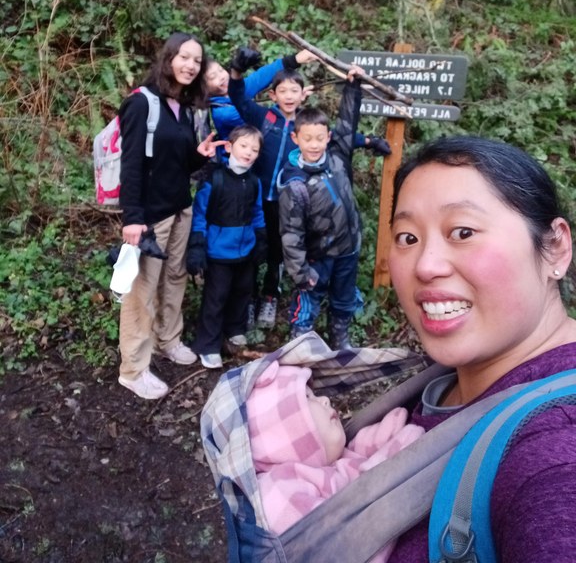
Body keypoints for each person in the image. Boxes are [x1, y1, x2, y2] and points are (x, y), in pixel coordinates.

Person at [385, 134, 575, 563]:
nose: (426, 265)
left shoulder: (556, 449)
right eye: (407, 237)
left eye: (463, 231)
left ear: (555, 248)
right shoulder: (449, 382)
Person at [117, 31, 225, 400]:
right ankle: (133, 368)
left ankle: (169, 339)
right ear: (168, 58)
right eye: (184, 57)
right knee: (141, 290)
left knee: (175, 277)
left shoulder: (181, 108)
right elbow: (130, 165)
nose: (191, 65)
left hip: (181, 206)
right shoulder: (140, 104)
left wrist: (200, 155)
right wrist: (132, 218)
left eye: (197, 60)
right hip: (150, 216)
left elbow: (176, 162)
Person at [246, 360, 423, 561]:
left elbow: (349, 467)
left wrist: (379, 438)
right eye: (307, 397)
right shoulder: (275, 491)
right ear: (280, 431)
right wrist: (391, 462)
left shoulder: (321, 465)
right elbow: (345, 545)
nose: (324, 400)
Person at [276, 66, 366, 350]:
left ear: (328, 137)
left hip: (347, 250)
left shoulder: (338, 158)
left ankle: (340, 339)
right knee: (308, 302)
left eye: (320, 138)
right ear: (296, 139)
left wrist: (353, 88)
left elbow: (348, 124)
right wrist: (301, 273)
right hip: (317, 257)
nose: (314, 145)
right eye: (307, 139)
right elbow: (290, 234)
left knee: (344, 299)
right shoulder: (295, 182)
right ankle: (300, 344)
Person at [228, 48, 313, 330]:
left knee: (278, 252)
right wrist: (236, 73)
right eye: (283, 90)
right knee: (252, 249)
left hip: (285, 202)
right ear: (273, 95)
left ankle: (269, 296)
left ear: (303, 95)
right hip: (254, 198)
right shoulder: (263, 117)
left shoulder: (305, 126)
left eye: (294, 90)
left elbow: (333, 138)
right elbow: (238, 97)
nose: (289, 96)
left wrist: (368, 141)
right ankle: (248, 300)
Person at [187, 125, 267, 370]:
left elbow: (257, 212)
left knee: (242, 290)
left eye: (255, 149)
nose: (249, 152)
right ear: (230, 147)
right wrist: (197, 246)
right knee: (216, 297)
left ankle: (235, 329)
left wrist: (261, 239)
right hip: (218, 251)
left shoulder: (254, 181)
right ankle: (208, 345)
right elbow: (199, 215)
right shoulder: (214, 179)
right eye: (244, 146)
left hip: (245, 249)